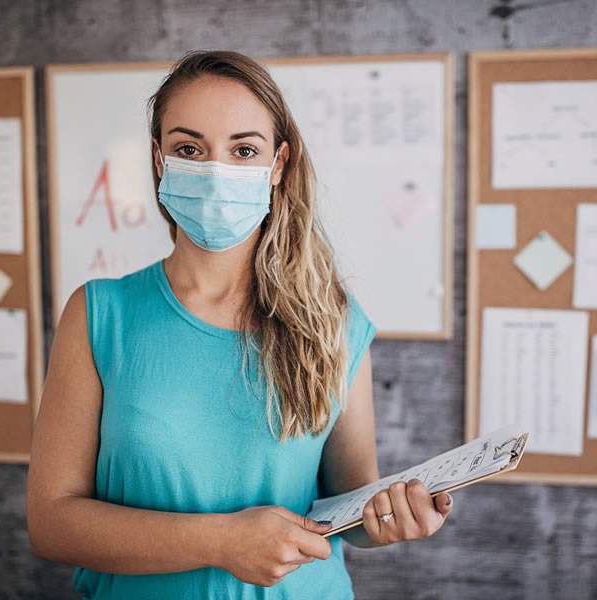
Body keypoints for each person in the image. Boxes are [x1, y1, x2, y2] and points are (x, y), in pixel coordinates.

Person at [26, 49, 453, 599]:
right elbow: (52, 522)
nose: (214, 172)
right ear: (159, 160)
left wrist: (392, 518)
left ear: (277, 166)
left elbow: (348, 505)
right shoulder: (99, 315)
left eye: (244, 150)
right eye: (188, 149)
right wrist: (221, 542)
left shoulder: (335, 322)